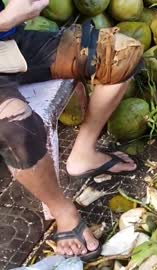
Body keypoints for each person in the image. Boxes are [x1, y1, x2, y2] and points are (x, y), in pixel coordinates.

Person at [0, 0, 143, 260]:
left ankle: (83, 154)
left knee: (121, 53)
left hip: (7, 47)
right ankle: (63, 212)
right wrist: (5, 20)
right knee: (16, 129)